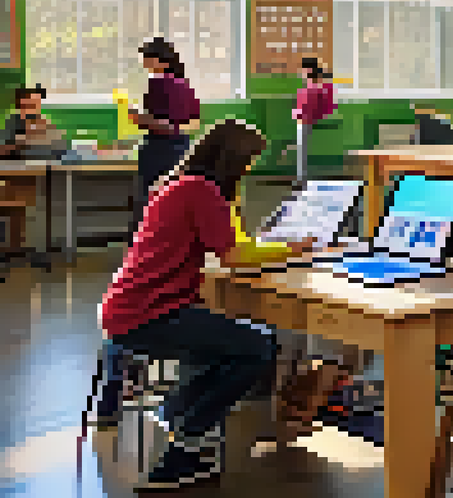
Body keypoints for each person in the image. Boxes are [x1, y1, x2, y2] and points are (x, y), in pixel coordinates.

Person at [97, 120, 308, 490]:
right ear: (232, 160)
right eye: (248, 162)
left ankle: (177, 413)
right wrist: (292, 249)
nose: (248, 171)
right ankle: (186, 446)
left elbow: (230, 242)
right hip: (150, 315)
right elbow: (234, 255)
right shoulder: (201, 190)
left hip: (129, 309)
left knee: (228, 345)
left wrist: (237, 210)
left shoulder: (178, 185)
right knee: (260, 347)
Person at [129, 38, 201, 226]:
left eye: (147, 58)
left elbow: (161, 124)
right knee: (176, 203)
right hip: (182, 149)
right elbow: (194, 123)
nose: (144, 63)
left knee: (152, 203)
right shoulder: (185, 84)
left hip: (159, 150)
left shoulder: (157, 83)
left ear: (160, 60)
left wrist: (138, 118)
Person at [293, 57, 337, 184]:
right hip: (308, 121)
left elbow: (311, 107)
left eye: (304, 69)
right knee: (303, 153)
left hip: (308, 122)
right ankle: (303, 179)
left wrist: (298, 113)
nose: (302, 72)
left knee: (304, 153)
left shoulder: (317, 88)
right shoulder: (317, 87)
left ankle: (302, 179)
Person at [0, 85, 66, 159]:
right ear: (21, 105)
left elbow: (60, 147)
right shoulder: (12, 123)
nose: (36, 109)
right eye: (31, 105)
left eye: (37, 104)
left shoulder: (45, 124)